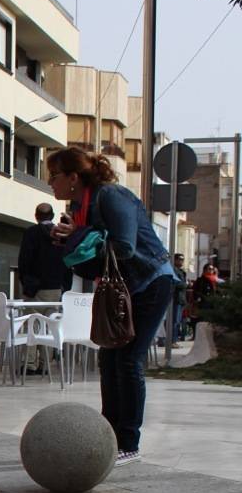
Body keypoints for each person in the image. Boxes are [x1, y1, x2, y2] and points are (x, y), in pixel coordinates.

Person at [48, 146, 175, 466]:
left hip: (150, 282)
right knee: (109, 357)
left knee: (128, 360)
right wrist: (71, 237)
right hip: (122, 288)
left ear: (73, 177)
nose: (50, 182)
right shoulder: (80, 206)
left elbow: (124, 247)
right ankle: (109, 435)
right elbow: (92, 251)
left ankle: (128, 442)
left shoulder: (111, 196)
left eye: (54, 175)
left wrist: (79, 234)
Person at [18, 202, 69, 373]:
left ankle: (30, 364)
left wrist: (25, 282)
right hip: (54, 287)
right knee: (49, 325)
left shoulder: (31, 233)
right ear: (53, 216)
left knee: (32, 324)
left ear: (36, 216)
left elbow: (24, 260)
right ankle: (45, 363)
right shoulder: (61, 234)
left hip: (34, 289)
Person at [190, 263, 218, 338]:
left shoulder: (215, 280)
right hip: (203, 304)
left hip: (212, 304)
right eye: (209, 269)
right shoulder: (200, 280)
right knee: (201, 320)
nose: (211, 271)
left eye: (212, 269)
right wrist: (197, 300)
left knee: (211, 321)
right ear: (205, 270)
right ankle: (198, 335)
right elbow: (195, 291)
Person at [171, 253, 188, 341]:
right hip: (176, 298)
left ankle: (175, 339)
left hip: (181, 299)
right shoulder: (173, 270)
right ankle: (172, 340)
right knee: (174, 321)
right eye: (179, 259)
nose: (181, 261)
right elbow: (177, 283)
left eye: (182, 259)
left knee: (178, 321)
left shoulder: (181, 271)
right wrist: (185, 285)